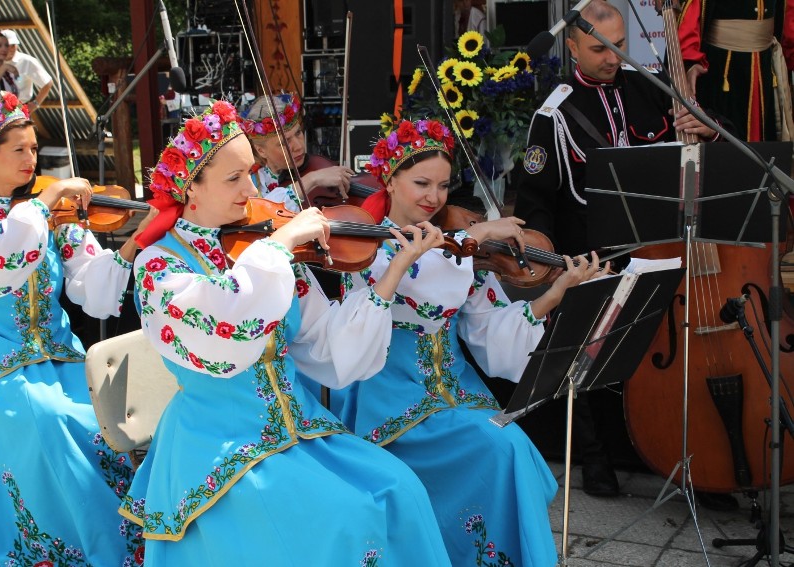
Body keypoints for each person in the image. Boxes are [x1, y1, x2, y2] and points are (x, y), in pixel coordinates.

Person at [120, 99, 454, 565]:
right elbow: (228, 332)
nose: (252, 189)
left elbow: (327, 341)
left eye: (252, 174)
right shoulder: (161, 265)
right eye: (234, 178)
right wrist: (279, 246)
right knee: (346, 517)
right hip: (223, 440)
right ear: (189, 188)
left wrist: (393, 272)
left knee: (402, 490)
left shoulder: (259, 249)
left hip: (299, 428)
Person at [332, 116, 605, 566]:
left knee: (513, 449)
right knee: (503, 449)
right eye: (421, 183)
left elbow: (485, 330)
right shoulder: (367, 248)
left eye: (442, 186)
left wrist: (555, 292)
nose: (433, 198)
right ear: (391, 179)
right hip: (391, 401)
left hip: (456, 394)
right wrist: (471, 238)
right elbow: (416, 281)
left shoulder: (455, 249)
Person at [513, 0, 725, 501]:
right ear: (572, 47)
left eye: (620, 47)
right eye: (598, 49)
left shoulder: (648, 87)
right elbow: (536, 199)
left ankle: (697, 454)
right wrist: (547, 259)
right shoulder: (555, 112)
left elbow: (701, 130)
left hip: (661, 245)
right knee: (584, 347)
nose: (613, 59)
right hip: (592, 251)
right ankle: (595, 456)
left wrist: (709, 131)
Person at [0, 92, 155, 565]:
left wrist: (130, 248)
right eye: (18, 149)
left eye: (34, 148)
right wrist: (44, 201)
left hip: (61, 355)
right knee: (48, 420)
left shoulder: (50, 217)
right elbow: (3, 267)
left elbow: (95, 294)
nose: (30, 158)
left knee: (101, 422)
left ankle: (124, 543)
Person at [676, 0, 794, 142]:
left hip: (765, 67)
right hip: (722, 69)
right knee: (726, 142)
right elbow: (691, 14)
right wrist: (690, 61)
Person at [240, 92, 354, 212]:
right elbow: (263, 213)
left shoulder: (319, 165)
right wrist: (311, 179)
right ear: (261, 151)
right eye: (284, 143)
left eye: (298, 133)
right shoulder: (252, 186)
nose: (298, 146)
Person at [0, 29, 53, 115]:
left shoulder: (27, 61)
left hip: (18, 111)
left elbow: (47, 83)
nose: (10, 49)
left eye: (13, 45)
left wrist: (35, 104)